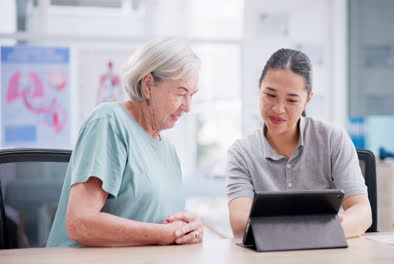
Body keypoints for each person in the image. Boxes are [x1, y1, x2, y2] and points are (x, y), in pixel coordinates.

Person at [47, 37, 203, 247]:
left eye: (191, 95)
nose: (187, 107)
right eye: (181, 93)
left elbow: (165, 225)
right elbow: (80, 222)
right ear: (148, 85)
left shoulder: (169, 151)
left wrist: (188, 228)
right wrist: (163, 235)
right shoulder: (109, 122)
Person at [226, 48, 372, 238]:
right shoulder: (241, 153)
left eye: (292, 100)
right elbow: (240, 223)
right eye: (270, 95)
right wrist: (318, 228)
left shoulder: (332, 138)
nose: (278, 108)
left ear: (307, 100)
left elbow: (362, 212)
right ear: (259, 88)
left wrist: (323, 232)